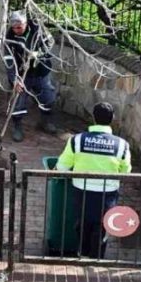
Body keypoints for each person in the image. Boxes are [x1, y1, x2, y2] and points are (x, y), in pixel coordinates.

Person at [54, 102, 131, 259]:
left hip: (82, 190)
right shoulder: (121, 145)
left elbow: (62, 166)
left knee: (82, 224)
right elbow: (126, 171)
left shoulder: (77, 140)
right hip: (107, 194)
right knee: (102, 226)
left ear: (93, 118)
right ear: (112, 119)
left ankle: (82, 255)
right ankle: (97, 259)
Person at [2, 11, 57, 142]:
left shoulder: (38, 29)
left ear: (25, 24)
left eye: (19, 27)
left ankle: (45, 121)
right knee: (18, 101)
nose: (17, 30)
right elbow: (9, 60)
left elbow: (50, 42)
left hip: (41, 71)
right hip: (22, 75)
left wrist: (38, 53)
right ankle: (17, 126)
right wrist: (14, 79)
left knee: (47, 97)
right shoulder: (9, 38)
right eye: (14, 27)